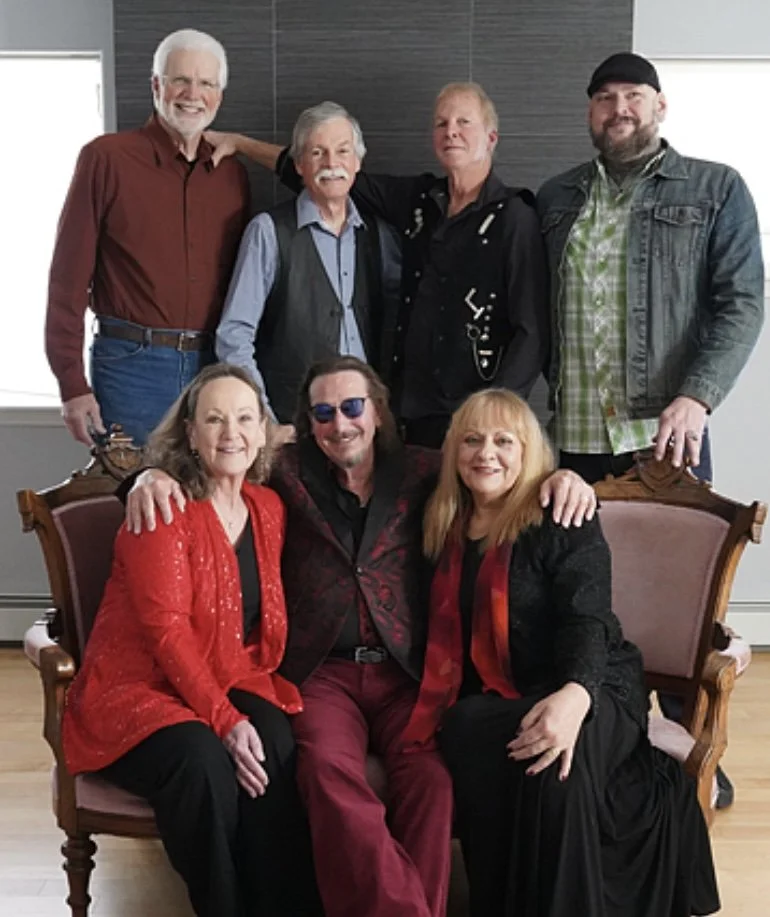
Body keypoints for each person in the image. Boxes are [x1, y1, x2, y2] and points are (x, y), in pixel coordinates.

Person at [124, 356, 597, 917]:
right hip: (323, 672)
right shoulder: (283, 472)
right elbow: (210, 462)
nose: (340, 423)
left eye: (352, 407)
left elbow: (496, 472)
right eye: (323, 413)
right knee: (326, 772)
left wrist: (559, 477)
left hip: (407, 672)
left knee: (432, 782)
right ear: (308, 423)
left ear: (377, 412)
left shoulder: (426, 470)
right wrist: (144, 478)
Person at [537, 51, 765, 808]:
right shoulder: (557, 197)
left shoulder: (714, 187)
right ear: (589, 112)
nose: (619, 109)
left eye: (633, 95)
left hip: (664, 438)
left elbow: (742, 301)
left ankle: (691, 751)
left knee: (675, 602)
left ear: (660, 105)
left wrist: (698, 396)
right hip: (573, 437)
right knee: (585, 597)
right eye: (604, 97)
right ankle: (609, 741)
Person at [402, 387, 720, 917]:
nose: (486, 453)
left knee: (554, 770)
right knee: (465, 726)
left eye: (504, 441)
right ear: (453, 450)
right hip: (511, 694)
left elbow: (587, 619)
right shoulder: (441, 522)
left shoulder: (558, 512)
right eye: (472, 440)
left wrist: (576, 696)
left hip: (596, 681)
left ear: (528, 450)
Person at [62, 364, 321, 917]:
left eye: (245, 418)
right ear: (191, 434)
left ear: (263, 432)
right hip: (137, 688)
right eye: (215, 419)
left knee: (275, 738)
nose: (232, 433)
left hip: (225, 670)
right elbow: (167, 633)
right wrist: (225, 721)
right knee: (202, 759)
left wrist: (237, 715)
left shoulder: (267, 508)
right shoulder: (163, 508)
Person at [205, 81, 549, 447]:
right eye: (441, 123)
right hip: (412, 416)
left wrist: (496, 416)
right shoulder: (420, 202)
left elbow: (532, 332)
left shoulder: (514, 217)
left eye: (463, 122)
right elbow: (329, 176)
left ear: (491, 138)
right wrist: (242, 145)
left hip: (478, 417)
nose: (451, 131)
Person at [46, 29, 250, 446]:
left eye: (206, 83)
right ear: (156, 86)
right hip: (130, 367)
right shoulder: (106, 159)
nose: (193, 94)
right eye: (181, 80)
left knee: (209, 488)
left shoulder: (232, 175)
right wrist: (71, 382)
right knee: (135, 486)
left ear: (219, 96)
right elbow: (67, 278)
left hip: (215, 368)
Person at [216, 101, 400, 440]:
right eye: (318, 153)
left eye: (342, 151)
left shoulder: (380, 235)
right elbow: (233, 336)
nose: (332, 164)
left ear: (357, 162)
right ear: (299, 164)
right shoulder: (268, 232)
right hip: (292, 428)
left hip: (364, 432)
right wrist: (263, 420)